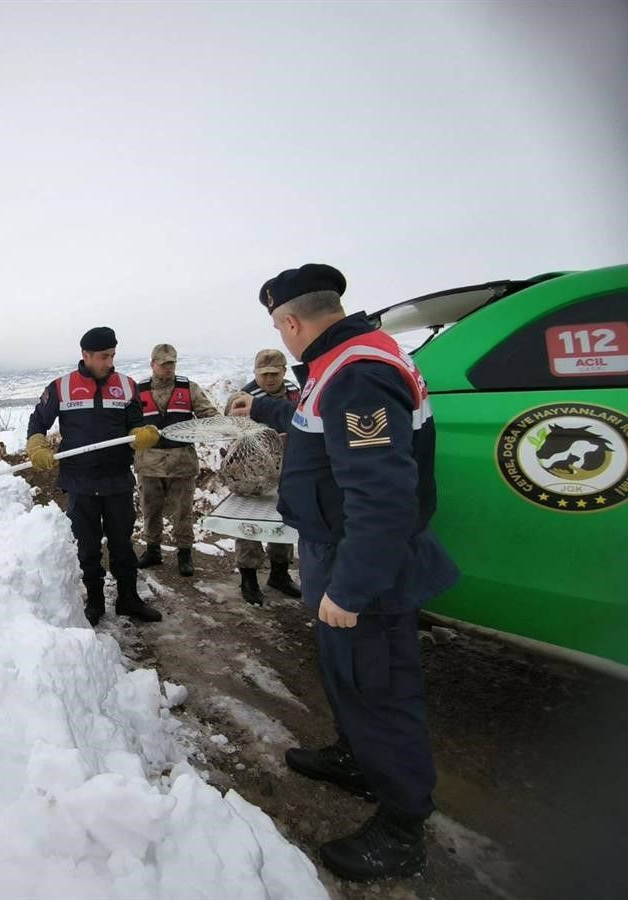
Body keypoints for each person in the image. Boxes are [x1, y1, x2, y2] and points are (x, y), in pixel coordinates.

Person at [229, 263, 459, 882]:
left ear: (291, 320)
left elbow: (383, 498)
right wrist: (264, 409)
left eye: (279, 326)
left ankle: (402, 827)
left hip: (365, 567)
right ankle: (357, 757)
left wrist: (351, 587)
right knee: (348, 677)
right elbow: (313, 425)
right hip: (340, 553)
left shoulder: (357, 373)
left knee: (381, 690)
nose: (281, 337)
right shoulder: (343, 363)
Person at [26, 326, 164, 626]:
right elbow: (38, 421)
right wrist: (36, 444)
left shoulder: (126, 387)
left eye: (113, 355)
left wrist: (139, 435)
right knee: (88, 546)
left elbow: (135, 424)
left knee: (122, 544)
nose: (109, 362)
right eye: (103, 356)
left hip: (117, 480)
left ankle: (128, 599)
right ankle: (96, 601)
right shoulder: (62, 387)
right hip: (80, 482)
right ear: (85, 355)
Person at [134, 343, 219, 576]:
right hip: (149, 464)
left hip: (181, 463)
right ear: (153, 364)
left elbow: (210, 416)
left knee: (183, 512)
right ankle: (152, 550)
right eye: (163, 364)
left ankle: (184, 553)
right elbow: (127, 424)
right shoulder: (138, 391)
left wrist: (201, 428)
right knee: (150, 510)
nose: (168, 368)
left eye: (171, 363)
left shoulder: (188, 388)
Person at [230, 349, 303, 605]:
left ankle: (279, 574)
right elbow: (232, 435)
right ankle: (248, 578)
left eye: (274, 373)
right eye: (264, 374)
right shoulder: (243, 398)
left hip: (289, 468)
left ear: (284, 371)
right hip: (252, 473)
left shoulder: (298, 392)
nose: (269, 379)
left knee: (283, 519)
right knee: (248, 524)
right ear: (255, 373)